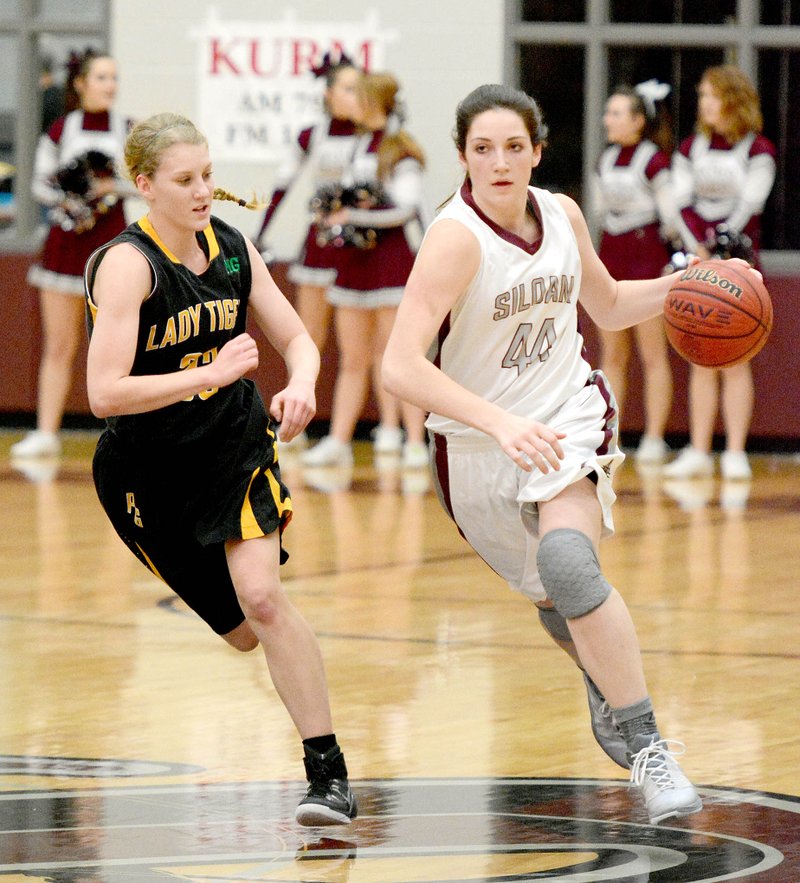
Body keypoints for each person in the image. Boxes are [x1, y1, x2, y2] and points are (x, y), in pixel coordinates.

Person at [383, 84, 757, 824]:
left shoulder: (561, 213)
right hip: (475, 446)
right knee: (554, 595)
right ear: (462, 156)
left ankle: (650, 749)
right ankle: (605, 679)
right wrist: (496, 423)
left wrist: (690, 283)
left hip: (566, 416)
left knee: (568, 563)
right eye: (483, 149)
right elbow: (399, 366)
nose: (499, 162)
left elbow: (610, 302)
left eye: (514, 147)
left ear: (538, 151)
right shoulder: (455, 237)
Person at [83, 112, 357, 827]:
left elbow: (298, 337)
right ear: (145, 186)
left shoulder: (233, 249)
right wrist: (202, 371)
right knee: (241, 631)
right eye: (185, 179)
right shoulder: (127, 265)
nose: (203, 189)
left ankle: (327, 772)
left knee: (263, 599)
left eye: (207, 174)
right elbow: (104, 392)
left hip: (234, 448)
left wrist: (301, 383)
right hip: (144, 470)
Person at [302, 72, 428, 470]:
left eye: (361, 95)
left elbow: (404, 209)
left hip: (390, 263)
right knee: (353, 357)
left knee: (397, 355)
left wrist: (351, 213)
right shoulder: (356, 145)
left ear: (378, 103)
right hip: (353, 262)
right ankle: (338, 439)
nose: (353, 100)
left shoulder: (402, 150)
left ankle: (414, 441)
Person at [12, 50, 131, 459]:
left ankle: (127, 437)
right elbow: (39, 185)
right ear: (80, 84)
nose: (110, 85)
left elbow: (145, 183)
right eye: (101, 77)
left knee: (119, 348)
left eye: (113, 77)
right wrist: (73, 196)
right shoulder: (62, 129)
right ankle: (47, 432)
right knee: (59, 345)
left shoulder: (126, 129)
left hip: (112, 246)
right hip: (66, 246)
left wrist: (110, 188)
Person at [664, 65, 776, 481]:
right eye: (702, 96)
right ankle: (697, 448)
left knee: (735, 354)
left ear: (733, 99)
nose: (704, 103)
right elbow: (679, 199)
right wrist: (700, 247)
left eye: (711, 95)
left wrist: (722, 244)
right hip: (699, 257)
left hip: (740, 262)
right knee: (701, 355)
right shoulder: (691, 147)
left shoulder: (758, 149)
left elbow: (752, 201)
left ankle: (734, 451)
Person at [593, 80, 679, 464]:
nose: (606, 119)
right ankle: (609, 436)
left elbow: (672, 215)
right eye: (607, 112)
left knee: (652, 354)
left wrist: (677, 255)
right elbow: (597, 215)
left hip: (646, 260)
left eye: (615, 113)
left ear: (638, 121)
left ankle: (655, 439)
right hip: (612, 259)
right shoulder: (604, 160)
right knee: (612, 355)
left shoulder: (653, 160)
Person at [255, 54, 362, 356]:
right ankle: (299, 399)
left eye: (361, 88)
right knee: (308, 337)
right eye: (349, 88)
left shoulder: (373, 135)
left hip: (362, 245)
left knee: (360, 351)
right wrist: (261, 233)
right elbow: (282, 185)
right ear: (328, 94)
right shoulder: (312, 134)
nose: (358, 96)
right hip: (321, 240)